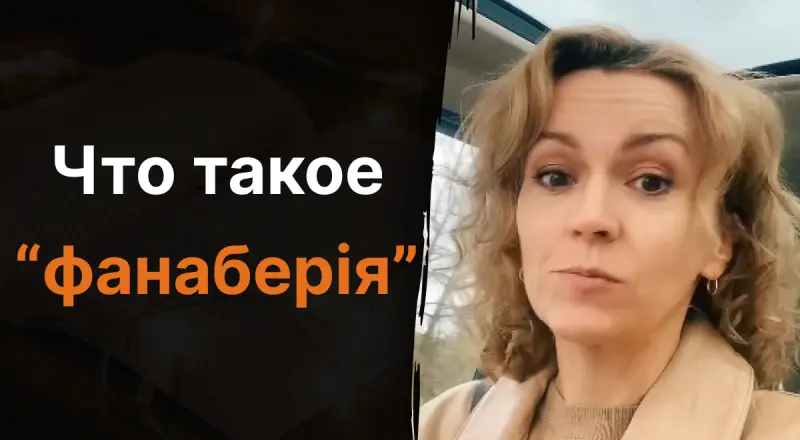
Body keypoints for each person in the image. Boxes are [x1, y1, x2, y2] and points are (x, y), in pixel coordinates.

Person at [418, 25, 800, 440]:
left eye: (651, 182)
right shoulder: (440, 424)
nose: (591, 217)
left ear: (721, 242)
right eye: (555, 176)